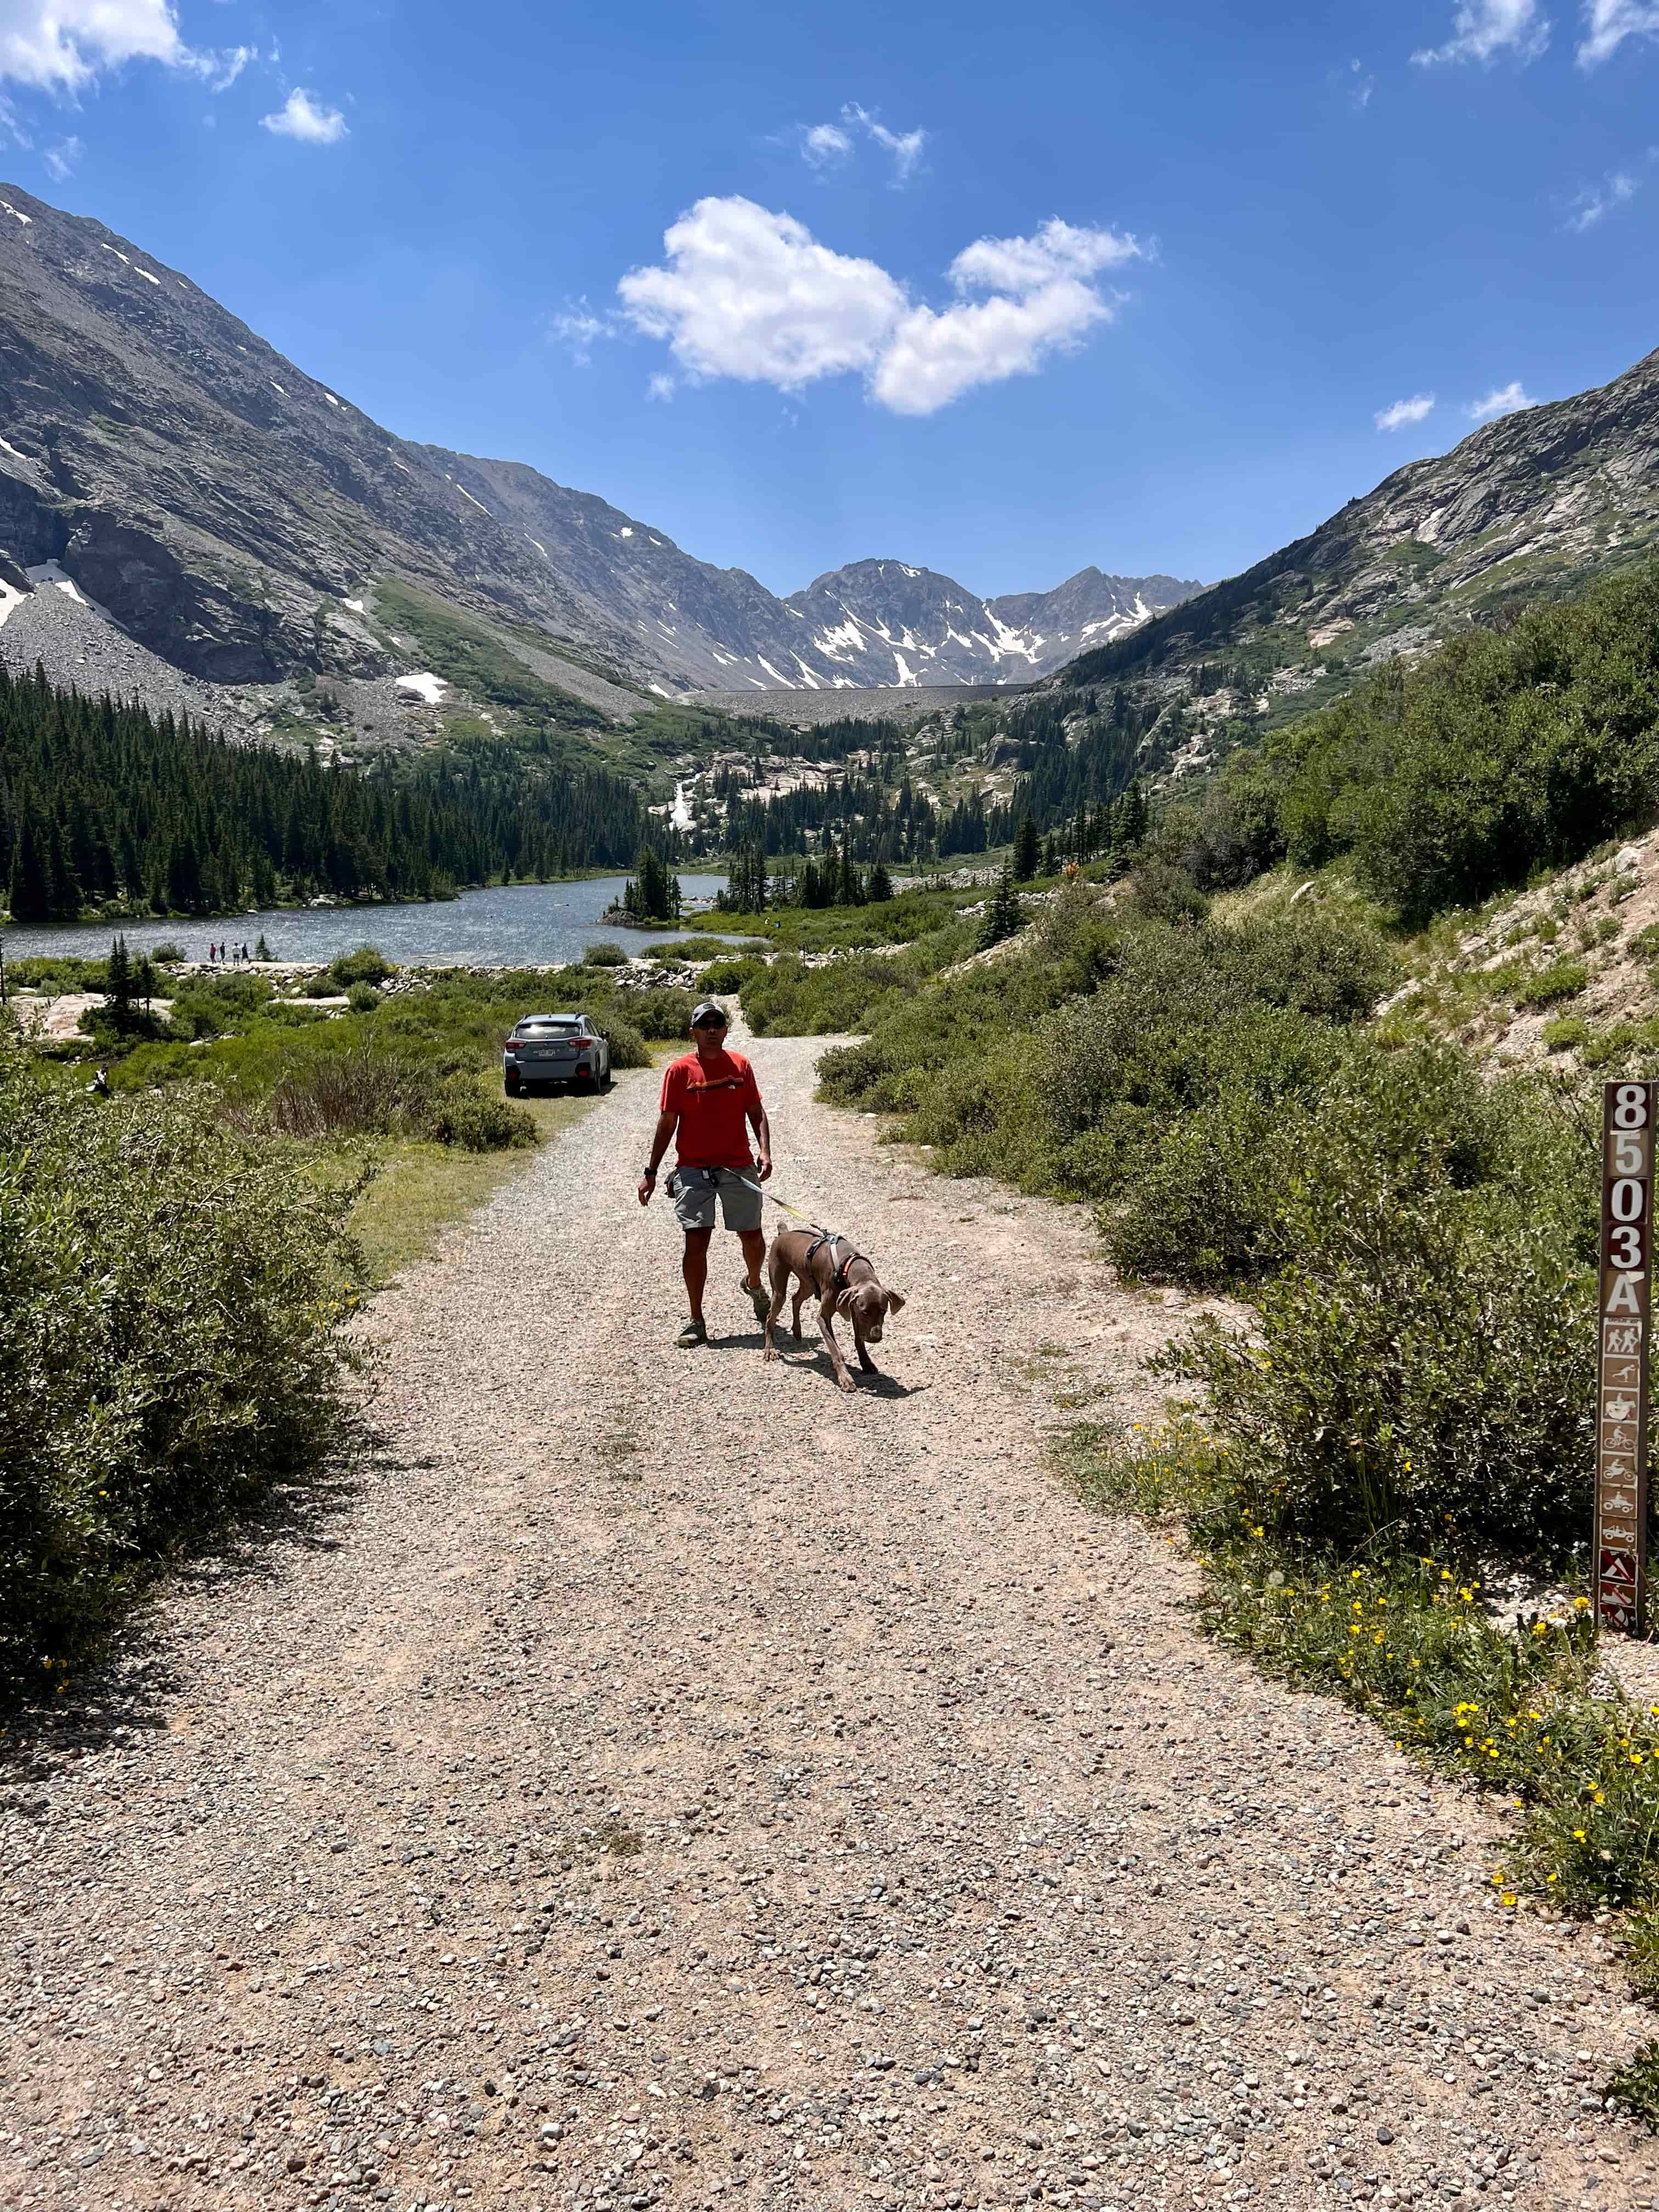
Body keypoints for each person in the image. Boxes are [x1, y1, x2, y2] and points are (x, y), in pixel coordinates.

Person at [637, 1000, 772, 1348]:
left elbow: (755, 1110)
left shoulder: (741, 1065)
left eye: (718, 1023)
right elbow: (667, 1123)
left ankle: (755, 1285)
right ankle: (696, 1319)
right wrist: (651, 1171)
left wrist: (765, 1151)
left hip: (737, 1166)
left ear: (726, 1029)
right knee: (696, 1242)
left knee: (752, 1237)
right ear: (694, 1032)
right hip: (694, 1169)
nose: (712, 1029)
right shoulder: (679, 1071)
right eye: (705, 1024)